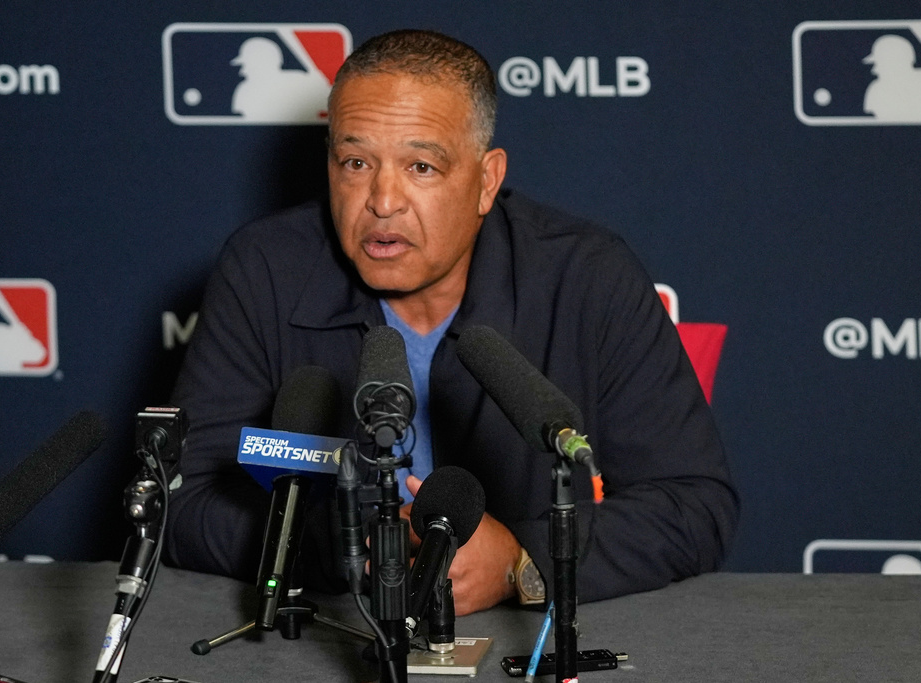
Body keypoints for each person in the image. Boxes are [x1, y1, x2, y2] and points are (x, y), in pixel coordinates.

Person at [164, 29, 739, 616]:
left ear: (486, 181)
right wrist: (341, 546)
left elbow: (693, 503)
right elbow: (183, 503)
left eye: (421, 166)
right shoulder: (264, 269)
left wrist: (522, 561)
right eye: (355, 162)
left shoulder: (586, 275)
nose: (382, 201)